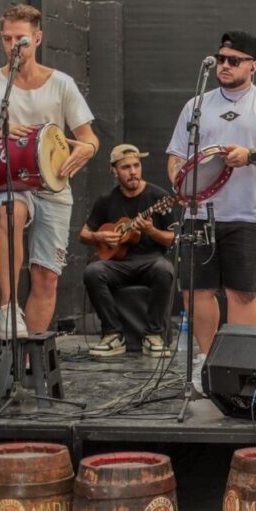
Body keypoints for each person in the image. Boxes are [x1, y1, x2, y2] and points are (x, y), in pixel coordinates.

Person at [0, 4, 99, 340]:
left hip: (53, 185)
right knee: (13, 210)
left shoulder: (61, 84)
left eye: (21, 39)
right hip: (10, 179)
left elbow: (89, 139)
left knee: (46, 276)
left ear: (38, 38)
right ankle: (8, 306)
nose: (14, 45)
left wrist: (86, 149)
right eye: (8, 38)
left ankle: (28, 363)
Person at [166, 31, 256, 390]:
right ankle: (207, 363)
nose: (224, 65)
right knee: (197, 291)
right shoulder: (196, 105)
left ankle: (241, 366)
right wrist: (181, 185)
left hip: (250, 215)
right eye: (221, 59)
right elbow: (176, 156)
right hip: (200, 214)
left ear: (253, 66)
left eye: (234, 60)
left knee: (242, 292)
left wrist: (252, 156)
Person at [79, 144, 177, 357]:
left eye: (136, 165)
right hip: (119, 263)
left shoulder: (159, 198)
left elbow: (172, 238)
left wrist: (151, 231)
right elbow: (84, 233)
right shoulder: (106, 200)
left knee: (164, 269)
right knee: (93, 272)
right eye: (125, 167)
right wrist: (99, 236)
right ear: (114, 171)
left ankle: (153, 335)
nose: (133, 171)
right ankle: (113, 334)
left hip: (150, 260)